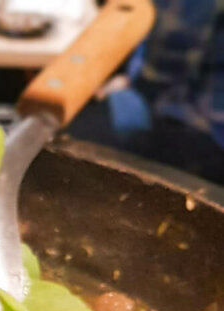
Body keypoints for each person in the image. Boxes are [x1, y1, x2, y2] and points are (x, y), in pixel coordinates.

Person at [71, 0, 224, 184]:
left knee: (70, 134)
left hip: (208, 133)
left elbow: (161, 75)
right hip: (205, 107)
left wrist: (131, 83)